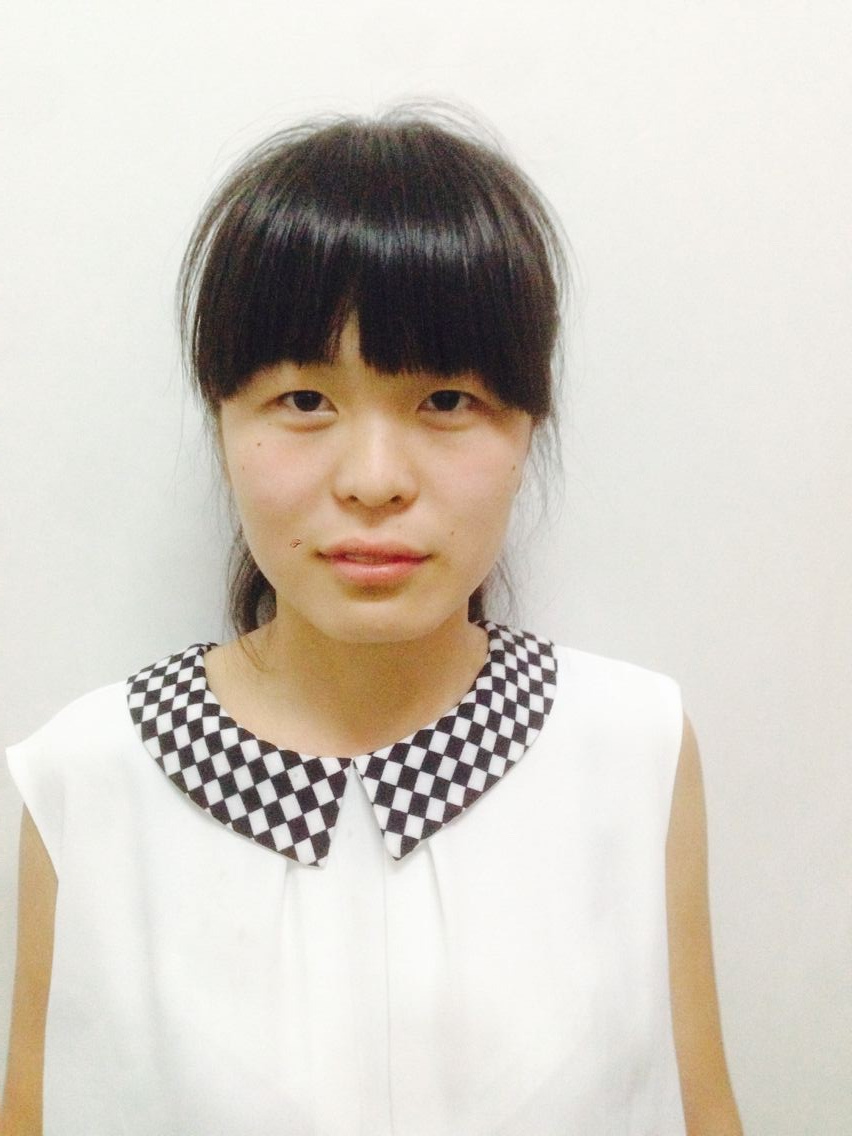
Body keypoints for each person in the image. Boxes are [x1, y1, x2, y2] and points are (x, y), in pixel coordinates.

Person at [1, 109, 742, 1135]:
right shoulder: (89, 776)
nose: (375, 479)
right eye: (306, 399)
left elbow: (698, 1110)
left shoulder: (630, 744)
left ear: (528, 423)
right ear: (222, 418)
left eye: (447, 399)